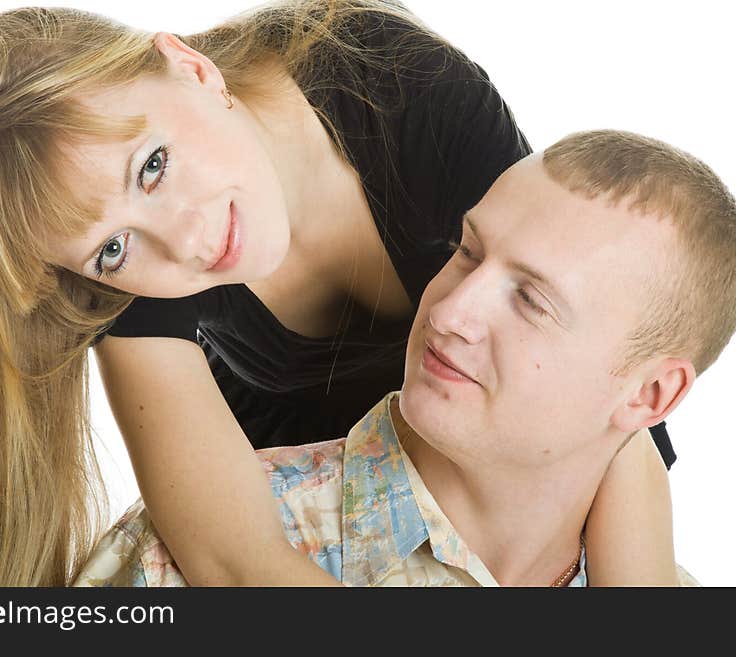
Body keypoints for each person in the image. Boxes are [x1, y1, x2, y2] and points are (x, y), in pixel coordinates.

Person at [0, 1, 677, 586]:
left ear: (190, 65)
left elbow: (604, 398)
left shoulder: (397, 84)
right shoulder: (135, 293)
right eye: (110, 247)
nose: (183, 238)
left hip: (531, 517)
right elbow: (233, 560)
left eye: (154, 164)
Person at [74, 130, 734, 587]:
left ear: (650, 397)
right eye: (466, 251)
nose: (447, 312)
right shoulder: (172, 566)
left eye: (531, 300)